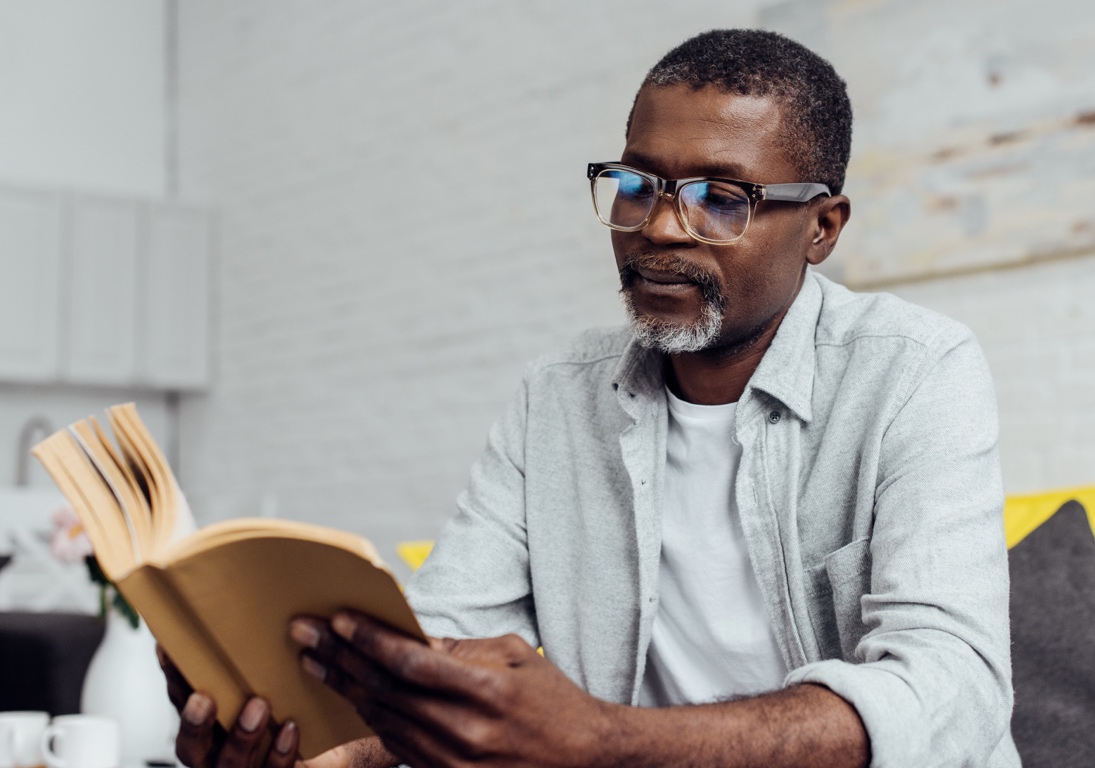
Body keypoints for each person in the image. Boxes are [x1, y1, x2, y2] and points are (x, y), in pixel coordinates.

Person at [162, 29, 1020, 768]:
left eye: (722, 199)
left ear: (822, 228)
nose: (658, 228)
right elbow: (442, 637)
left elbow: (949, 688)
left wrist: (603, 741)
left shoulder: (914, 370)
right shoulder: (560, 398)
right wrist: (319, 740)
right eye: (639, 185)